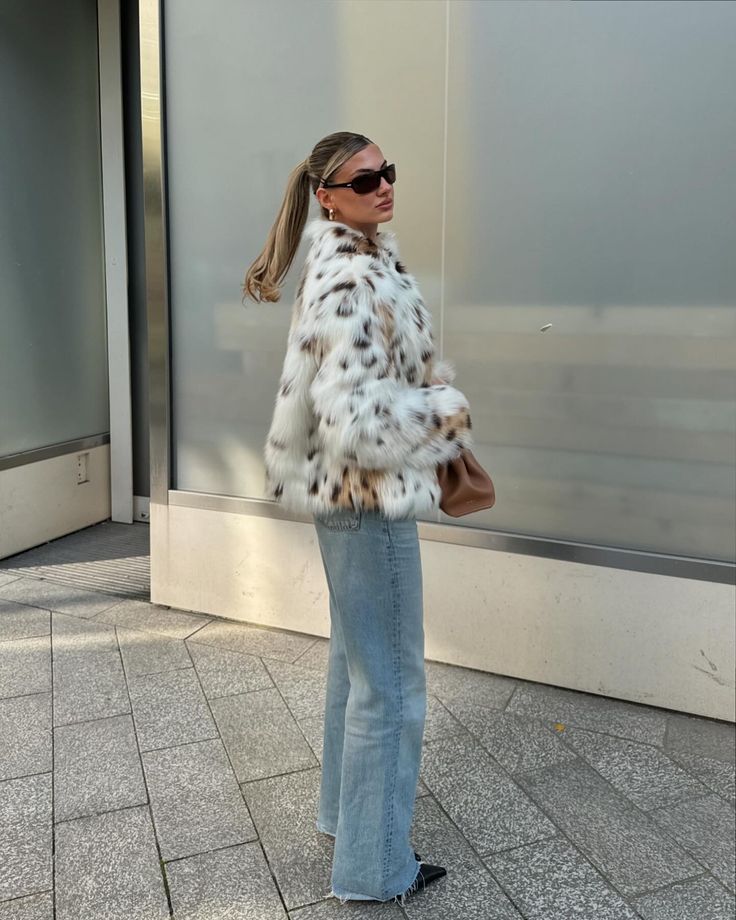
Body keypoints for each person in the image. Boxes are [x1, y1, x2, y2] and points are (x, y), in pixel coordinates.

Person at [243, 131, 473, 904]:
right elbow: (357, 423)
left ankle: (346, 821)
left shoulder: (348, 261)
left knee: (357, 666)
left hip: (339, 498)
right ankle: (376, 870)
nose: (384, 186)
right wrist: (445, 412)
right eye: (365, 179)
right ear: (328, 198)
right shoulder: (351, 274)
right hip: (368, 500)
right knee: (393, 684)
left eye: (387, 172)